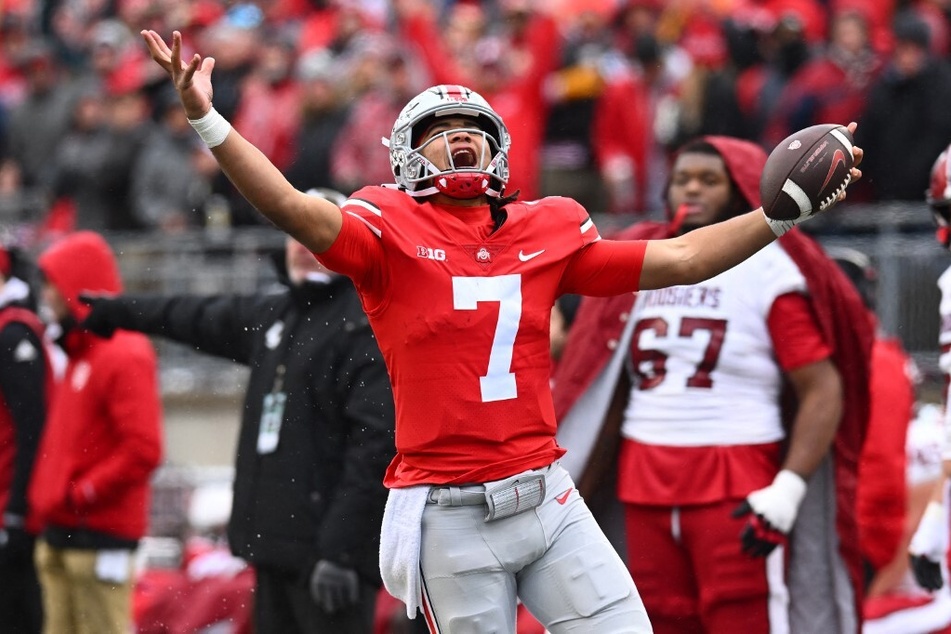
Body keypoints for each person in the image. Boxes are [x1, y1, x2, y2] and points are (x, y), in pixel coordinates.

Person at [140, 28, 863, 631]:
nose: (459, 139)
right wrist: (209, 121)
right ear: (403, 154)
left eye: (471, 131)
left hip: (546, 493)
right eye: (439, 131)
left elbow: (681, 257)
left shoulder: (544, 228)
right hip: (449, 511)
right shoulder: (385, 228)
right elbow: (296, 210)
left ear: (498, 152)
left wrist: (778, 216)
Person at [551, 135, 873, 633]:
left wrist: (788, 487)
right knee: (652, 619)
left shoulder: (771, 263)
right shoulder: (646, 251)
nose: (692, 190)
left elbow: (821, 385)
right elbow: (597, 371)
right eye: (681, 179)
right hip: (644, 472)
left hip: (736, 471)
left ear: (741, 186)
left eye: (708, 179)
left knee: (742, 618)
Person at [79, 189, 397, 634]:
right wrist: (120, 311)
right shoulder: (276, 313)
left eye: (318, 234)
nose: (303, 247)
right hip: (273, 552)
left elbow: (376, 450)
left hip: (328, 564)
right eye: (295, 233)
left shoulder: (363, 326)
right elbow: (193, 315)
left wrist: (343, 553)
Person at [28, 231, 164, 634]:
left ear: (77, 286)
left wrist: (84, 492)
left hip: (97, 536)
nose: (47, 295)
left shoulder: (124, 352)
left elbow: (144, 449)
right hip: (62, 534)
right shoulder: (79, 352)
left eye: (54, 283)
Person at [0, 245, 52, 634]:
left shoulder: (15, 331)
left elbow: (32, 424)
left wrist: (18, 505)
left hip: (8, 502)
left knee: (17, 611)